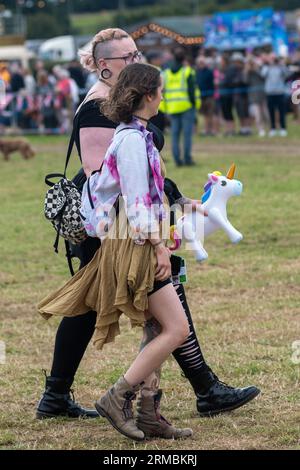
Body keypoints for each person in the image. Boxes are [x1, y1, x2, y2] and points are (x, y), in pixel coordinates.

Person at [36, 29, 260, 428]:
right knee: (157, 299)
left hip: (130, 223)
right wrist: (153, 233)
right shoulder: (97, 109)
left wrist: (175, 198)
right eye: (127, 56)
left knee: (103, 307)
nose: (136, 60)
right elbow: (101, 175)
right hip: (116, 229)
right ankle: (193, 390)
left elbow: (141, 174)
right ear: (105, 66)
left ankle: (75, 396)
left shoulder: (126, 112)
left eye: (137, 52)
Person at [39, 63, 193, 441]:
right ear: (146, 95)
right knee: (176, 329)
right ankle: (117, 396)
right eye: (158, 89)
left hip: (134, 237)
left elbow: (150, 195)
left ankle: (149, 411)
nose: (162, 96)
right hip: (132, 243)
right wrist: (158, 246)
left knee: (157, 326)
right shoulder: (129, 141)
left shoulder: (135, 136)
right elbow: (137, 204)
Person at [163, 48, 201, 166]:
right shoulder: (188, 72)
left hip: (172, 107)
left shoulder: (166, 73)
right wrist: (194, 105)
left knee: (175, 135)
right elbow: (191, 91)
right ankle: (187, 159)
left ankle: (177, 160)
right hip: (186, 106)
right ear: (184, 59)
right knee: (187, 135)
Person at [261, 55, 290, 137]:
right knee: (271, 112)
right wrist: (268, 64)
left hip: (280, 92)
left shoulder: (280, 68)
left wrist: (281, 64)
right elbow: (262, 74)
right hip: (270, 93)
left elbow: (287, 74)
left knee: (282, 111)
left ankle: (283, 128)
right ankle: (272, 128)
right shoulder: (267, 67)